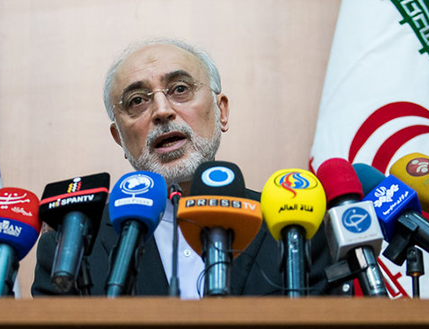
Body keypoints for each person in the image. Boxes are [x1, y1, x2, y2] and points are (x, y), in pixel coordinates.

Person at [32, 38, 330, 297]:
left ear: (221, 111)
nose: (162, 111)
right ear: (119, 138)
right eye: (137, 101)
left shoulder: (297, 228)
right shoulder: (69, 250)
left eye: (180, 89)